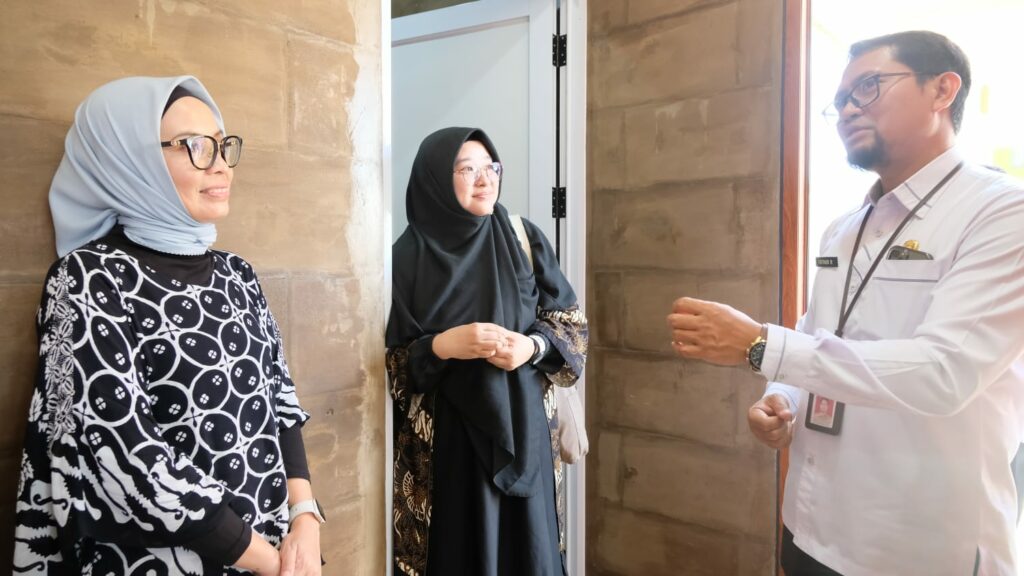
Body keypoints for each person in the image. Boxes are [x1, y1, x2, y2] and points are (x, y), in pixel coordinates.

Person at [666, 31, 1024, 576]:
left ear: (942, 90)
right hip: (810, 523)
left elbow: (944, 371)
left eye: (869, 87)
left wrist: (761, 345)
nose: (848, 110)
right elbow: (819, 329)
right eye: (840, 101)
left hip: (916, 546)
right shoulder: (845, 227)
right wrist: (781, 396)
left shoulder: (1000, 212)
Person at [13, 76, 323, 575]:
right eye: (195, 146)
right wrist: (270, 563)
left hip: (276, 547)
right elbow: (126, 457)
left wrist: (304, 517)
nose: (220, 165)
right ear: (128, 161)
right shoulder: (88, 279)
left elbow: (279, 402)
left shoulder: (237, 273)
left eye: (221, 145)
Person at [386, 127, 587, 576]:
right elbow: (391, 367)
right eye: (467, 169)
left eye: (491, 167)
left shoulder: (523, 239)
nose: (485, 180)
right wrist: (443, 346)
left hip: (526, 435)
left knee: (531, 555)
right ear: (437, 179)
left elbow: (571, 325)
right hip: (449, 452)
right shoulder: (404, 259)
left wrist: (532, 346)